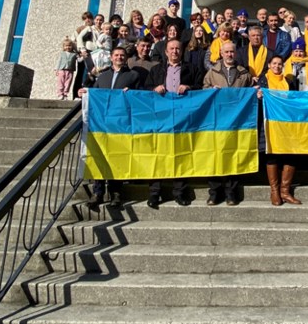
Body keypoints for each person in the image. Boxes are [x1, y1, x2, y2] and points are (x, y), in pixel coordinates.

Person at [145, 38, 205, 208]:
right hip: (160, 120)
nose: (175, 52)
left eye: (178, 49)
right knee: (158, 155)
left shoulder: (192, 69)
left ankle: (179, 193)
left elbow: (200, 87)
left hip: (183, 120)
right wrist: (153, 89)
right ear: (166, 52)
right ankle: (154, 194)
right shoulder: (156, 70)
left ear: (182, 51)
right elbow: (145, 89)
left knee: (181, 155)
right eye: (171, 49)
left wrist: (189, 88)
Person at [84, 46, 141, 208]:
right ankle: (98, 192)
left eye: (122, 55)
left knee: (118, 157)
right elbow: (93, 94)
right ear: (111, 57)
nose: (119, 58)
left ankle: (116, 192)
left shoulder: (133, 75)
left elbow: (141, 96)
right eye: (116, 55)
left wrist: (132, 93)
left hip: (120, 124)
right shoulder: (102, 77)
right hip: (101, 124)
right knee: (100, 156)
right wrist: (84, 91)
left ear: (126, 58)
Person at [202, 41, 251, 206]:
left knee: (233, 156)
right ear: (221, 53)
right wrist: (210, 91)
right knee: (214, 156)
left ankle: (231, 193)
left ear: (235, 54)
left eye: (232, 52)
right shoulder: (212, 72)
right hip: (216, 121)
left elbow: (250, 90)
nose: (229, 55)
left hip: (237, 122)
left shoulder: (243, 73)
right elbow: (203, 90)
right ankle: (214, 192)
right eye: (226, 52)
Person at [257, 55, 302, 206]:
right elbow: (255, 102)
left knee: (290, 155)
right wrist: (257, 96)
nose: (277, 66)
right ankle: (274, 191)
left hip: (287, 123)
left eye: (280, 64)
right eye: (274, 63)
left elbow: (295, 101)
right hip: (269, 123)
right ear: (269, 65)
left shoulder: (289, 81)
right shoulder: (262, 81)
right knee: (272, 155)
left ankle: (285, 191)